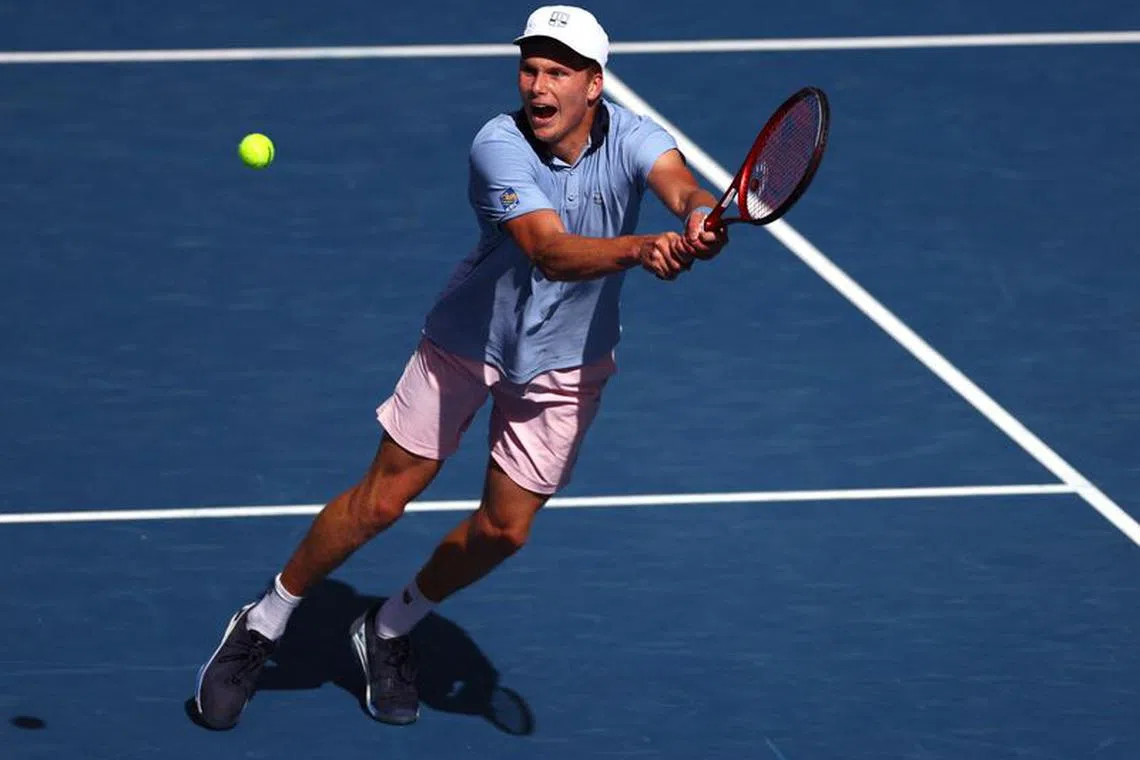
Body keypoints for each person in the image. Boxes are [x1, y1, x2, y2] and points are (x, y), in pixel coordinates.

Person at [192, 4, 728, 731]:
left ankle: (386, 628)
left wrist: (696, 216)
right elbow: (549, 250)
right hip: (467, 344)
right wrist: (642, 248)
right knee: (383, 500)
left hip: (567, 364)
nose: (537, 85)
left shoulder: (636, 137)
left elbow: (679, 182)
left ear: (594, 85)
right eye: (529, 68)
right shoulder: (497, 145)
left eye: (556, 72)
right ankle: (266, 618)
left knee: (506, 531)